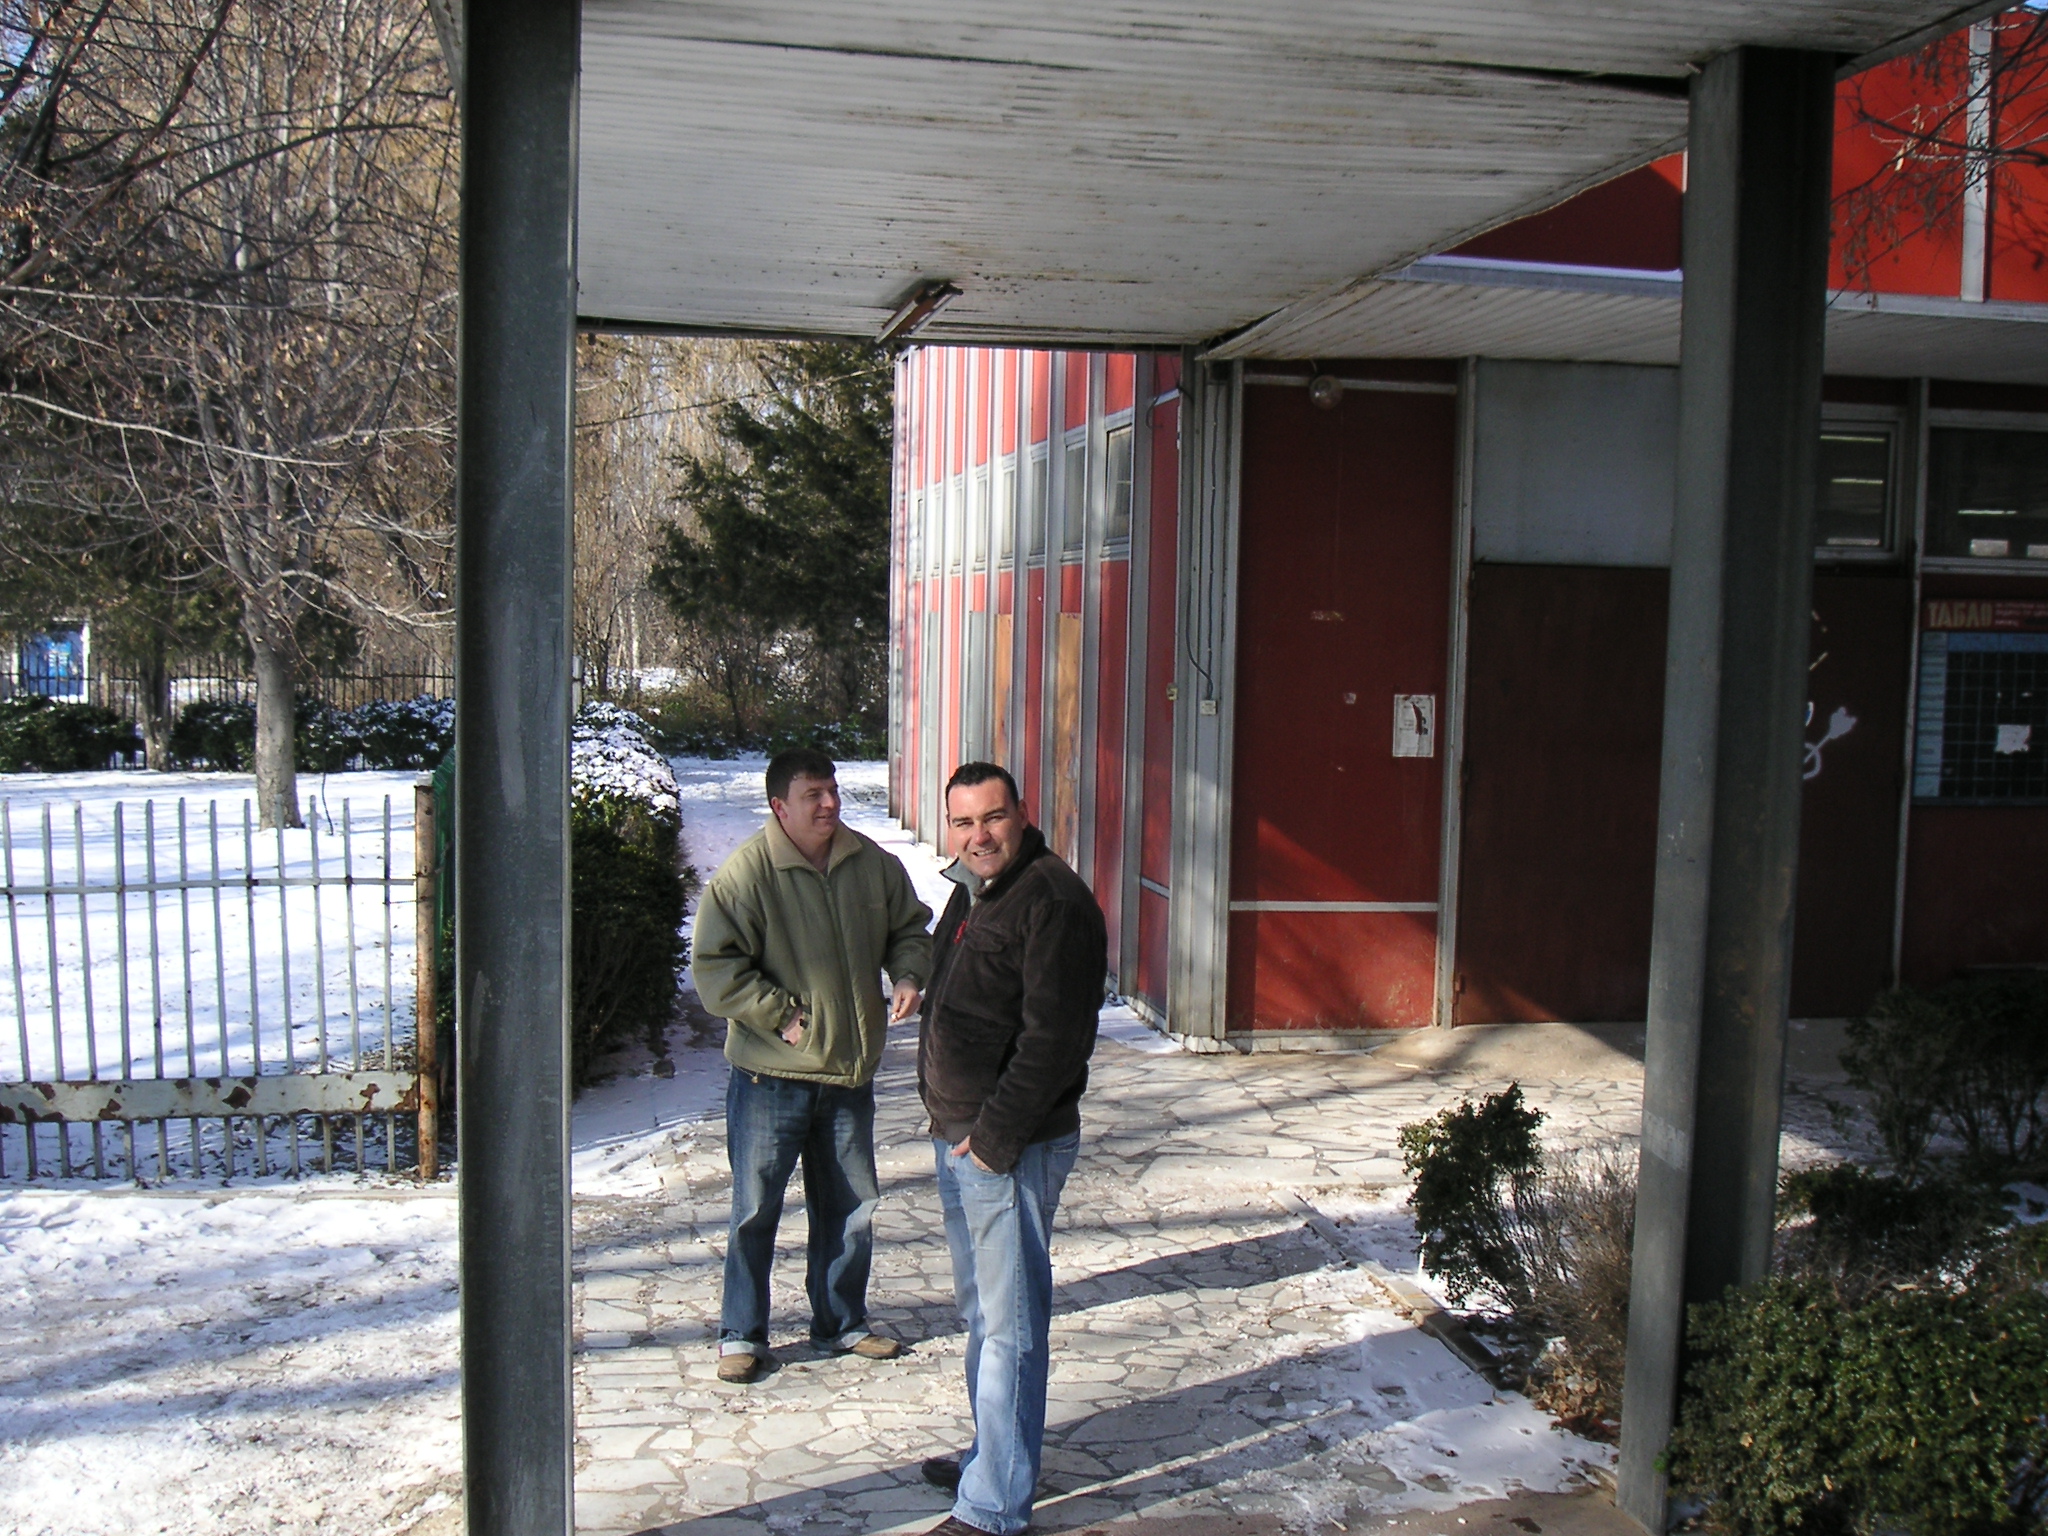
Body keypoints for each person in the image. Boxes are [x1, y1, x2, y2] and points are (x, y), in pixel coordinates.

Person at [691, 746, 933, 1385]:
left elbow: (911, 928)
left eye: (833, 791)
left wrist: (909, 973)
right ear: (780, 806)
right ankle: (742, 1334)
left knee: (851, 1209)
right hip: (771, 1079)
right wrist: (782, 1015)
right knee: (754, 1211)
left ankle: (841, 1324)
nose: (830, 804)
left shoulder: (870, 864)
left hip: (848, 1078)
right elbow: (715, 970)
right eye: (813, 796)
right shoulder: (746, 876)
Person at [915, 761, 1107, 1536]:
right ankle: (990, 1459)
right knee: (985, 1316)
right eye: (963, 822)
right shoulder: (975, 889)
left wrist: (993, 1141)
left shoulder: (1053, 902)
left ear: (1022, 814)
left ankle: (993, 1505)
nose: (978, 835)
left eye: (992, 818)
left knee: (1011, 1328)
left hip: (1009, 1147)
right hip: (962, 1140)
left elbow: (1055, 1042)